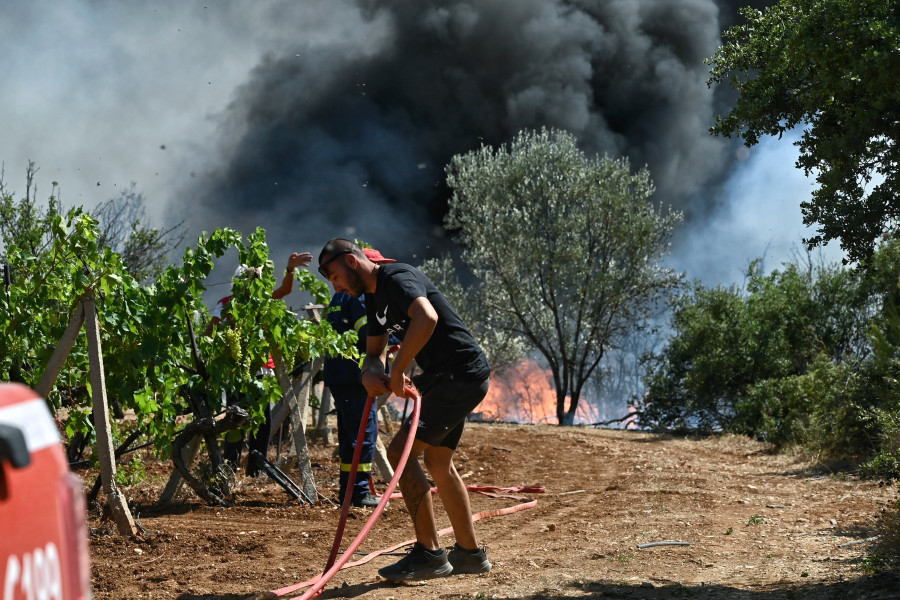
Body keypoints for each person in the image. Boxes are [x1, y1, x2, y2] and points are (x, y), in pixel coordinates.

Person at [317, 239, 493, 581]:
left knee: (399, 453)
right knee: (438, 462)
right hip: (449, 380)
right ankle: (470, 554)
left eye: (334, 276)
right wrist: (370, 373)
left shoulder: (396, 278)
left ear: (351, 261)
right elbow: (374, 352)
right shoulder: (373, 299)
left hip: (459, 377)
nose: (335, 287)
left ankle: (430, 554)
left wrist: (397, 370)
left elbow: (426, 316)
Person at [207, 252, 312, 477]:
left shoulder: (263, 303)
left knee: (262, 422)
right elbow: (210, 333)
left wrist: (290, 270)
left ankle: (256, 470)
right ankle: (231, 469)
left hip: (262, 371)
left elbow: (285, 291)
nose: (254, 285)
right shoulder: (225, 304)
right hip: (236, 372)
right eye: (252, 280)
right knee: (235, 421)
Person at [322, 247, 396, 508]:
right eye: (378, 267)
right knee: (364, 433)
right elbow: (368, 333)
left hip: (339, 374)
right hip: (356, 375)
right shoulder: (360, 296)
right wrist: (394, 340)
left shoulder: (338, 296)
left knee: (350, 435)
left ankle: (349, 490)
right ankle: (358, 493)